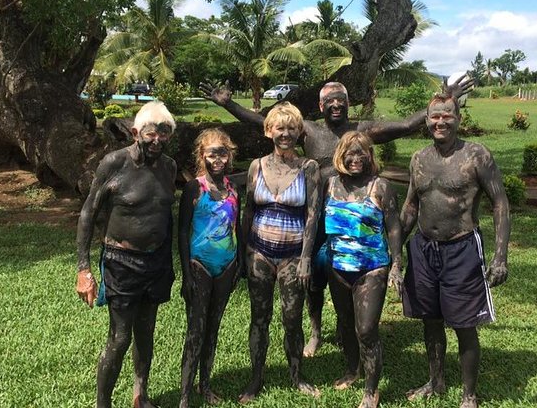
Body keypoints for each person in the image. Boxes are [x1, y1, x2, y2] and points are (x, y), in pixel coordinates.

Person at [199, 77, 473, 357]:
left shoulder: (362, 130)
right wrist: (229, 104)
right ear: (321, 106)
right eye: (329, 100)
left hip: (351, 217)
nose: (336, 104)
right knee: (312, 278)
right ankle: (316, 331)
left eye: (341, 99)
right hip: (316, 216)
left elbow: (404, 125)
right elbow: (264, 122)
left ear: (348, 102)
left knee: (351, 270)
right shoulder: (309, 130)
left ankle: (350, 327)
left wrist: (441, 101)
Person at [399, 93, 510, 408]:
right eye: (435, 116)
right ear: (426, 120)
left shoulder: (476, 155)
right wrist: (392, 248)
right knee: (430, 320)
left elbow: (500, 203)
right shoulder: (419, 158)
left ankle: (469, 395)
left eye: (447, 116)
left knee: (464, 324)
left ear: (459, 119)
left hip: (462, 248)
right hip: (423, 249)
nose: (440, 122)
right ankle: (435, 381)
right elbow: (410, 206)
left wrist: (500, 257)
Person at [75, 101, 177, 408]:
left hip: (156, 262)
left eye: (164, 133)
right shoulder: (114, 163)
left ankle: (140, 396)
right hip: (121, 263)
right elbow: (88, 213)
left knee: (146, 333)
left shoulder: (169, 167)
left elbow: (165, 216)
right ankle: (102, 404)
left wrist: (168, 264)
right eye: (150, 133)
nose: (157, 140)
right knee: (120, 338)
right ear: (135, 133)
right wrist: (83, 269)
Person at [238, 102, 321, 403]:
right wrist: (243, 254)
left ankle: (297, 375)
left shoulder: (308, 168)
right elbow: (249, 210)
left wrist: (306, 258)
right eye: (279, 128)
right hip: (259, 253)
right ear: (268, 131)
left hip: (292, 256)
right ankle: (256, 378)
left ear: (299, 132)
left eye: (292, 128)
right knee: (259, 318)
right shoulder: (256, 166)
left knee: (292, 318)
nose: (285, 134)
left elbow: (313, 215)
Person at [323, 131, 403, 408]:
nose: (355, 158)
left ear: (370, 155)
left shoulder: (380, 186)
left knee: (366, 330)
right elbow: (316, 223)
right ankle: (352, 369)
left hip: (371, 268)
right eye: (350, 153)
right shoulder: (330, 184)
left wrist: (396, 264)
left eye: (361, 153)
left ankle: (371, 391)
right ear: (340, 155)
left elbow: (394, 227)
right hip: (337, 267)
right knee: (346, 325)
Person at [178, 128, 241, 407]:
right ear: (202, 155)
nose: (218, 159)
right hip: (199, 266)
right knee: (196, 330)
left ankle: (205, 385)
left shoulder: (233, 189)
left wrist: (239, 263)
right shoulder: (194, 188)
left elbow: (237, 226)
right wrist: (186, 274)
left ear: (229, 156)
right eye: (212, 154)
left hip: (226, 266)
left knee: (213, 328)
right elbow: (182, 232)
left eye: (223, 153)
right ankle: (184, 395)